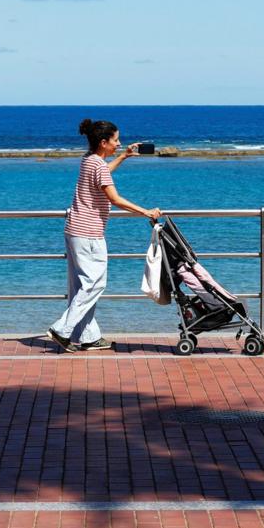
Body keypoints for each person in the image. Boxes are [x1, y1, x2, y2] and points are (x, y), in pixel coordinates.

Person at [47, 119, 162, 353]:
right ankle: (62, 329)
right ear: (103, 142)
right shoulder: (96, 165)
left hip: (74, 231)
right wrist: (146, 211)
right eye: (116, 140)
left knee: (82, 286)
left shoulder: (89, 160)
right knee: (95, 284)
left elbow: (102, 174)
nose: (119, 144)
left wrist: (124, 157)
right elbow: (115, 199)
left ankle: (88, 336)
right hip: (89, 234)